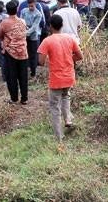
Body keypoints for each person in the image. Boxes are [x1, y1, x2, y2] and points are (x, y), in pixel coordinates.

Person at [38, 14, 83, 143]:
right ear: (62, 25)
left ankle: (59, 137)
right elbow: (80, 56)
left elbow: (40, 61)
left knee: (54, 107)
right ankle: (68, 119)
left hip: (56, 78)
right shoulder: (69, 39)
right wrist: (69, 59)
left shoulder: (47, 41)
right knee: (66, 96)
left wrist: (50, 60)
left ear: (50, 26)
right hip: (69, 76)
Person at [0, 1, 28, 104]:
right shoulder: (23, 21)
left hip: (11, 53)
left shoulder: (4, 23)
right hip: (23, 52)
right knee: (23, 76)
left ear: (7, 10)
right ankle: (24, 99)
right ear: (17, 9)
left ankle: (14, 98)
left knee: (12, 76)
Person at [20, 0, 43, 78]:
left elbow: (34, 26)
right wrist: (24, 29)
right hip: (24, 34)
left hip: (33, 36)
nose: (30, 8)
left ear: (35, 4)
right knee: (25, 53)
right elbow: (21, 21)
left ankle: (33, 71)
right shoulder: (24, 11)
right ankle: (25, 70)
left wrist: (27, 32)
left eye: (32, 6)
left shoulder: (38, 14)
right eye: (29, 6)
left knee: (33, 54)